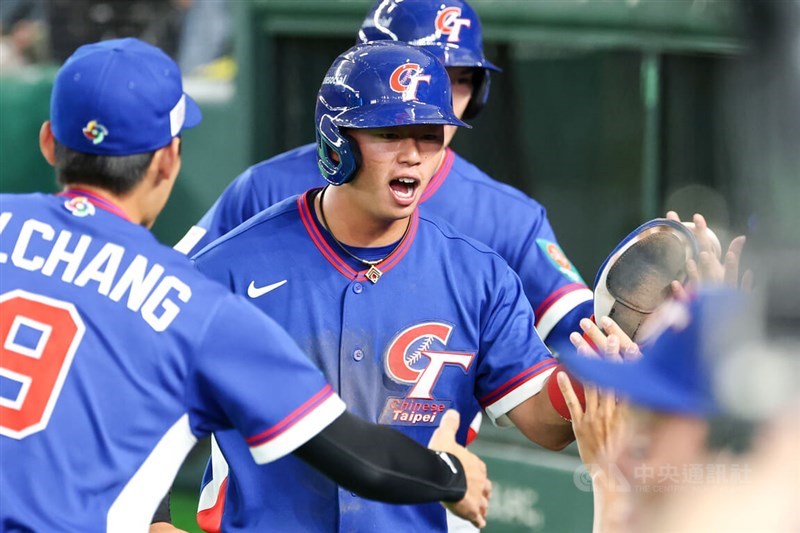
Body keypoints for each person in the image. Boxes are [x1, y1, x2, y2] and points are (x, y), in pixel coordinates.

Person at [0, 37, 492, 532]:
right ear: (169, 159)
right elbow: (359, 459)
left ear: (47, 143)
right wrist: (449, 475)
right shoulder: (193, 303)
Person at [183, 40, 578, 533]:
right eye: (389, 133)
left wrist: (598, 371)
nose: (412, 155)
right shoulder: (230, 267)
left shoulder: (479, 276)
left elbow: (547, 424)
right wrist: (155, 521)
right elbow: (132, 400)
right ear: (338, 141)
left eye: (430, 135)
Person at [175, 0, 593, 353]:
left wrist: (648, 318)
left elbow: (585, 334)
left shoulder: (508, 217)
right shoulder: (265, 188)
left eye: (460, 80)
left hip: (428, 446)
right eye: (417, 74)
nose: (438, 97)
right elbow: (170, 296)